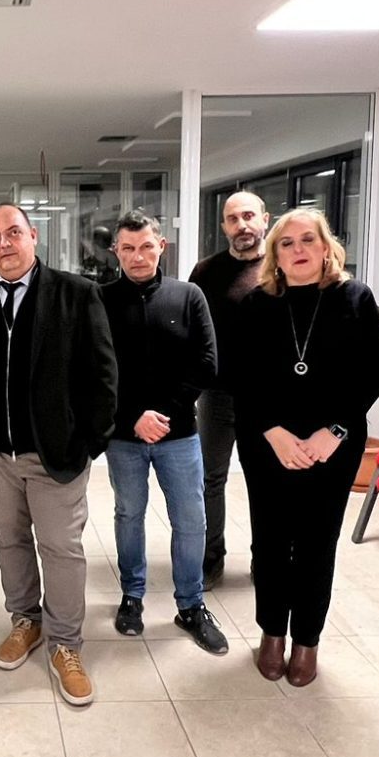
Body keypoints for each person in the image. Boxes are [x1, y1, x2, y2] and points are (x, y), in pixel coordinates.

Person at [0, 203, 117, 706]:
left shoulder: (76, 293)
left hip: (55, 454)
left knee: (61, 548)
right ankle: (26, 620)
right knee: (10, 540)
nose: (4, 244)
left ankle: (66, 644)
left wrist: (91, 442)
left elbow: (103, 374)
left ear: (33, 236)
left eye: (13, 233)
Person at [233, 208, 379, 687]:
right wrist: (274, 432)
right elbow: (241, 377)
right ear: (275, 254)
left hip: (333, 444)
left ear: (325, 247)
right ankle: (272, 633)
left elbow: (373, 371)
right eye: (286, 243)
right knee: (271, 541)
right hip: (267, 442)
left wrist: (333, 431)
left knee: (318, 544)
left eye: (307, 240)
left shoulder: (355, 298)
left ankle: (307, 640)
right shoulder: (257, 303)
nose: (298, 250)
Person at [101, 211, 228, 653]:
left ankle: (190, 605)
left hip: (179, 434)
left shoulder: (188, 295)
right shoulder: (101, 299)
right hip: (123, 436)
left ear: (161, 247)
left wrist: (165, 415)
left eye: (146, 247)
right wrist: (133, 417)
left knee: (190, 520)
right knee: (128, 515)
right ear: (116, 251)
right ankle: (132, 596)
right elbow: (97, 369)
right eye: (128, 248)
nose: (138, 256)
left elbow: (206, 363)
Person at [187, 190, 270, 587]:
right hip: (217, 395)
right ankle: (211, 557)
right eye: (233, 219)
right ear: (224, 226)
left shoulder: (281, 267)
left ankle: (265, 559)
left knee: (265, 481)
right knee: (210, 479)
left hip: (267, 398)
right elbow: (191, 330)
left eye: (248, 216)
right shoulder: (206, 271)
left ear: (265, 219)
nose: (242, 225)